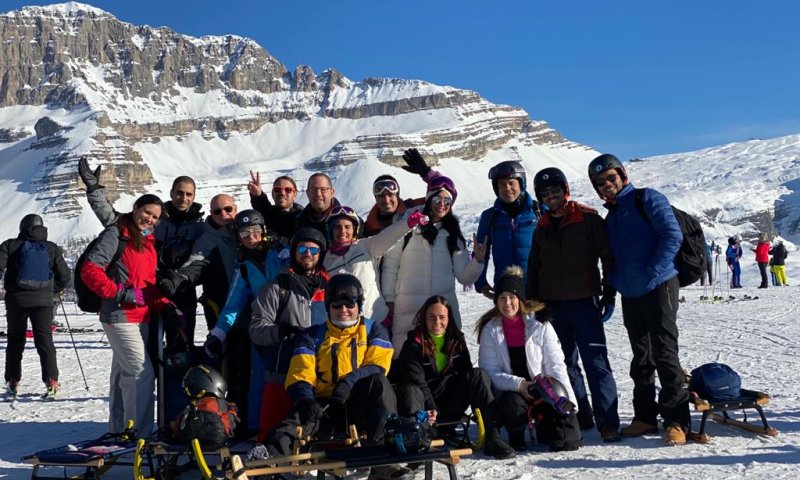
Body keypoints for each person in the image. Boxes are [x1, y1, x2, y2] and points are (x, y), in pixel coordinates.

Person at [588, 153, 690, 446]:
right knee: (641, 357)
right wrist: (611, 290)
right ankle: (645, 416)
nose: (606, 185)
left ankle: (676, 420)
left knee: (665, 353)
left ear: (622, 175)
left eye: (610, 178)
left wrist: (652, 271)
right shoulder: (611, 217)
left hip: (659, 286)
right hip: (630, 293)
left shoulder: (648, 199)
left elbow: (672, 235)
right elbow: (610, 261)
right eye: (599, 182)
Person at [265, 274, 403, 479]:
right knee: (293, 422)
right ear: (329, 306)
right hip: (325, 406)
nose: (344, 310)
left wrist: (349, 382)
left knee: (379, 386)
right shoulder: (312, 335)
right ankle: (267, 464)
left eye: (350, 304)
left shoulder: (374, 330)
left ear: (359, 305)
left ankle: (383, 460)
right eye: (337, 305)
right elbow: (300, 372)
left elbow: (377, 366)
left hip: (361, 405)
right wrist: (305, 399)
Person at [527, 167, 621, 442]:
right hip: (553, 306)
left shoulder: (588, 218)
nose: (551, 197)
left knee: (596, 362)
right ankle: (583, 416)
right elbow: (534, 268)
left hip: (583, 303)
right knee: (564, 363)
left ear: (565, 190)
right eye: (545, 194)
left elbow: (608, 256)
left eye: (555, 191)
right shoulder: (542, 226)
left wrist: (609, 292)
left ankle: (609, 422)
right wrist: (534, 303)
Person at [79, 194, 183, 437]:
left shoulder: (147, 242)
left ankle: (118, 429)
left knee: (122, 374)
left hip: (142, 318)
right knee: (140, 372)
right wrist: (121, 293)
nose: (150, 219)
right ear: (135, 207)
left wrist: (166, 304)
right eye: (147, 212)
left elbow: (147, 284)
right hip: (119, 315)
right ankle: (140, 434)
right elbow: (90, 270)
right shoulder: (116, 234)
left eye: (155, 217)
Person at [79, 158, 205, 341]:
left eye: (188, 194)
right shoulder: (156, 219)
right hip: (150, 290)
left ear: (194, 197)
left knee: (182, 347)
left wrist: (179, 280)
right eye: (179, 193)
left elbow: (202, 259)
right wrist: (95, 191)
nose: (183, 198)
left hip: (182, 292)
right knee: (151, 348)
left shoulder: (199, 227)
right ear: (171, 192)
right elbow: (116, 221)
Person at [393, 295, 516, 459]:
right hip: (425, 406)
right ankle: (418, 442)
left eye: (442, 317)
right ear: (424, 318)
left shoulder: (456, 339)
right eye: (432, 317)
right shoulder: (413, 345)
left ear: (449, 318)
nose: (437, 322)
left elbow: (466, 373)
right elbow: (418, 382)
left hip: (451, 402)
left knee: (477, 375)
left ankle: (492, 436)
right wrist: (431, 408)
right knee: (411, 389)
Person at [201, 209, 289, 436]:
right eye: (245, 233)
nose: (251, 237)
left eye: (255, 232)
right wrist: (218, 333)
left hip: (291, 324)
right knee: (259, 380)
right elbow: (233, 305)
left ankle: (290, 428)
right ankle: (256, 429)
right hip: (262, 329)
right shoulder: (244, 268)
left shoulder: (281, 253)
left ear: (264, 232)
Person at [381, 164, 484, 353]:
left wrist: (477, 261)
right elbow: (390, 265)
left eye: (447, 200)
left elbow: (464, 277)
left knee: (444, 361)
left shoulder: (453, 234)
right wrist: (389, 300)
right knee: (407, 361)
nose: (442, 203)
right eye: (437, 197)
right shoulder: (408, 226)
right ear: (428, 199)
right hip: (408, 310)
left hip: (442, 312)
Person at [476, 266, 580, 452]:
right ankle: (515, 432)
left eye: (512, 297)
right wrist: (520, 384)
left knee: (567, 442)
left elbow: (556, 365)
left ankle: (544, 425)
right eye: (502, 298)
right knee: (512, 404)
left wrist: (567, 401)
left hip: (543, 389)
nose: (507, 303)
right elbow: (490, 371)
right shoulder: (490, 330)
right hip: (511, 392)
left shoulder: (540, 325)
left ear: (520, 299)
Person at [249, 227, 329, 440]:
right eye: (302, 248)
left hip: (322, 375)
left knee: (319, 440)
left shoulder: (330, 288)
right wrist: (281, 332)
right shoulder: (276, 287)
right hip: (282, 372)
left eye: (314, 250)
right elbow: (256, 330)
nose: (308, 254)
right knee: (273, 436)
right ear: (294, 251)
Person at [1, 214, 70, 400]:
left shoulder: (10, 245)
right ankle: (51, 382)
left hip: (17, 300)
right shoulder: (51, 248)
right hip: (43, 301)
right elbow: (64, 275)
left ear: (22, 227)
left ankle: (12, 381)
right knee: (45, 341)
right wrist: (52, 290)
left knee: (15, 341)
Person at [324, 205, 427, 322]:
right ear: (331, 230)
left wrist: (407, 223)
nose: (343, 231)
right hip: (345, 322)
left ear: (354, 230)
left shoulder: (365, 246)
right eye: (337, 227)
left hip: (375, 319)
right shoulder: (326, 260)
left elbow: (388, 237)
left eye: (347, 227)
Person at [157, 194, 239, 330]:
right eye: (217, 211)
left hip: (250, 301)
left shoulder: (246, 231)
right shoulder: (207, 240)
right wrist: (178, 279)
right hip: (220, 303)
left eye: (228, 209)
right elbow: (195, 263)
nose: (223, 214)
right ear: (211, 213)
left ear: (235, 209)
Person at [475, 160, 539, 300]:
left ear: (521, 184)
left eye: (511, 183)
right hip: (505, 292)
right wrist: (481, 282)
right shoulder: (490, 216)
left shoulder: (538, 211)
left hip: (538, 289)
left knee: (541, 322)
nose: (507, 188)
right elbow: (481, 252)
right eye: (501, 184)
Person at [361, 149, 440, 238]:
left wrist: (427, 173)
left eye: (390, 194)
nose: (387, 200)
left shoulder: (415, 209)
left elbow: (444, 197)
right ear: (375, 197)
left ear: (398, 195)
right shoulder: (367, 229)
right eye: (381, 195)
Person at [247, 171, 304, 241]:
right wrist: (257, 195)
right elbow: (262, 207)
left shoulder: (304, 218)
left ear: (295, 194)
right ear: (273, 194)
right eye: (277, 190)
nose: (282, 193)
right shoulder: (266, 216)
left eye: (288, 190)